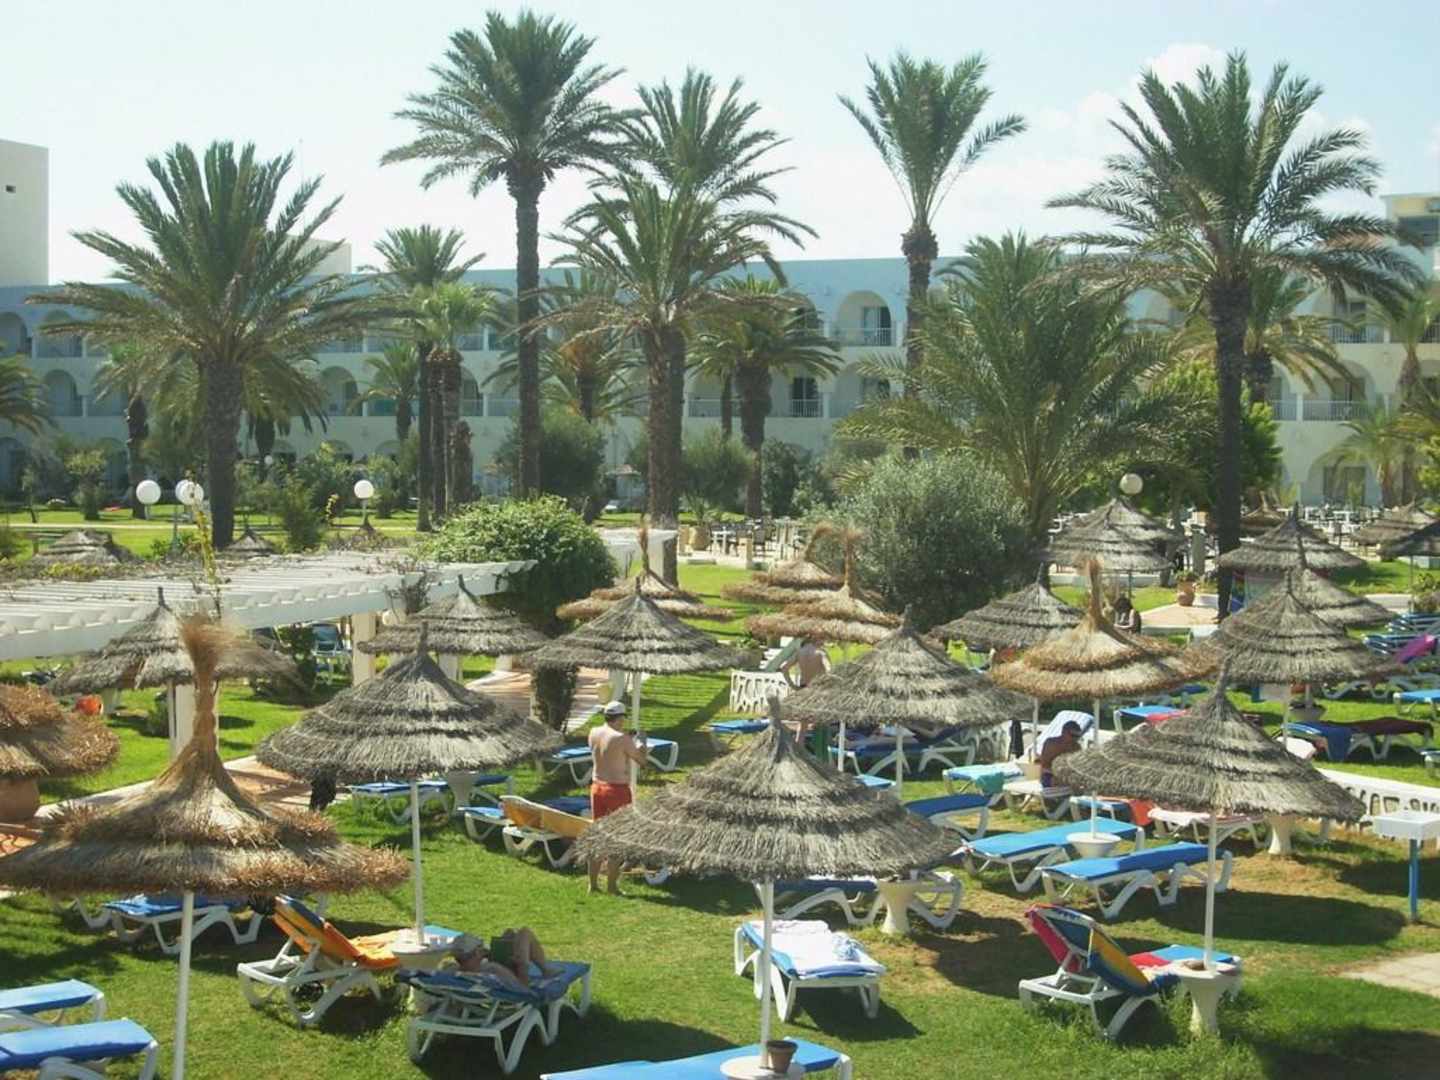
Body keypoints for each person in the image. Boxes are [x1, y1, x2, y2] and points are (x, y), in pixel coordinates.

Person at [587, 700, 649, 895]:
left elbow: (607, 748)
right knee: (617, 837)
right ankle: (612, 887)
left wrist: (627, 738)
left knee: (597, 835)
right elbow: (642, 760)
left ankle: (593, 885)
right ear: (620, 718)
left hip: (597, 787)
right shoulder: (623, 739)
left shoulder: (594, 732)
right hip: (617, 790)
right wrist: (641, 743)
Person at [451, 929, 559, 989]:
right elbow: (523, 988)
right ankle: (545, 969)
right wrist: (522, 966)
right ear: (477, 952)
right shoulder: (492, 968)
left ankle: (546, 969)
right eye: (481, 947)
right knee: (525, 933)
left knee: (509, 933)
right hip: (511, 991)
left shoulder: (451, 970)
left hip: (486, 984)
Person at [1038, 720, 1085, 787]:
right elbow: (1044, 764)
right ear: (1064, 732)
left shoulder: (1076, 747)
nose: (1074, 738)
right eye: (1072, 735)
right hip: (1050, 774)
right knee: (1055, 781)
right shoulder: (1051, 743)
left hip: (1068, 776)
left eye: (1077, 736)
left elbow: (1078, 766)